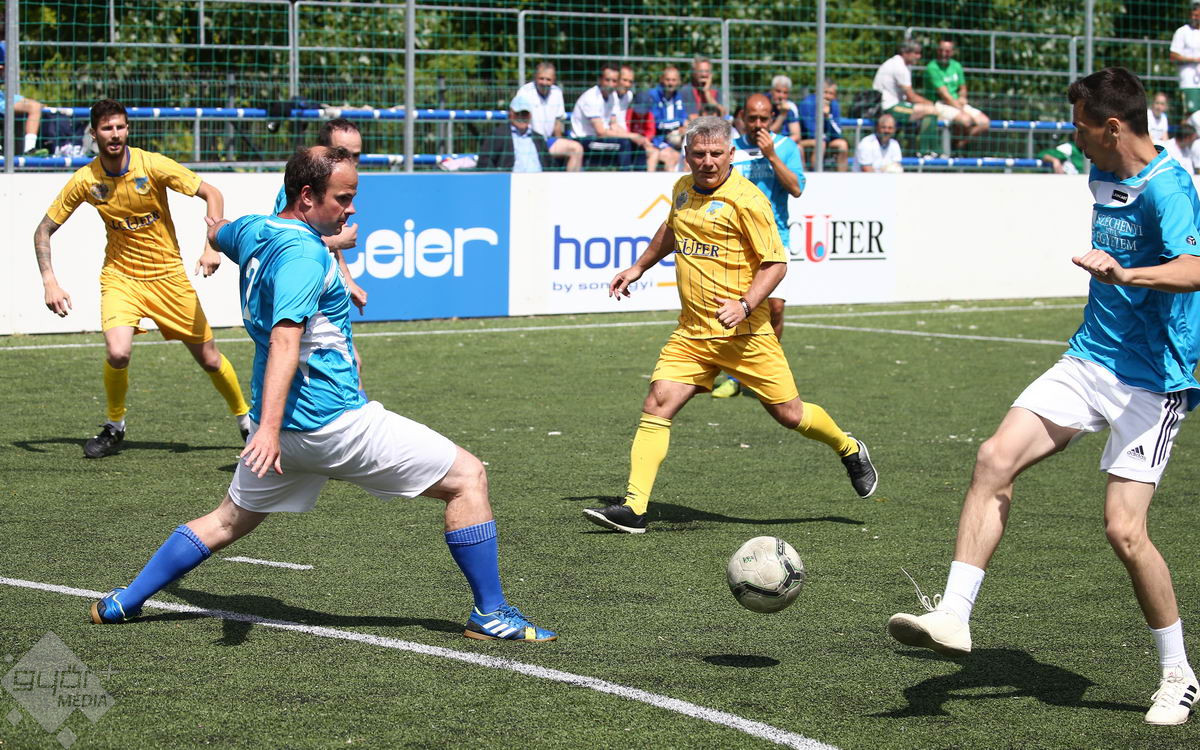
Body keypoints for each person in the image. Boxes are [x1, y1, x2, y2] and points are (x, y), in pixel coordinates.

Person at [89, 145, 557, 644]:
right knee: (468, 477)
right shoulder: (304, 256)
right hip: (331, 424)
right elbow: (286, 340)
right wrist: (266, 430)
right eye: (344, 198)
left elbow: (218, 231)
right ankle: (491, 613)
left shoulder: (253, 230)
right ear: (308, 196)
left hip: (282, 433)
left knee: (225, 521)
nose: (351, 208)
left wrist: (218, 231)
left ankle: (125, 601)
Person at [887, 67, 1200, 727]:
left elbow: (1195, 267)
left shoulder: (1169, 188)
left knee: (1124, 530)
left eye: (1080, 125)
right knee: (994, 458)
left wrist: (1127, 273)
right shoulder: (1100, 168)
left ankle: (1178, 673)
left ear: (1111, 127)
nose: (1072, 135)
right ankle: (954, 614)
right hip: (1090, 358)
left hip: (1154, 379)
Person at [581, 116, 877, 534]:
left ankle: (848, 447)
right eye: (699, 154)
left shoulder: (748, 200)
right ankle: (634, 508)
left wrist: (745, 303)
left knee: (790, 415)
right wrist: (639, 267)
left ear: (731, 154)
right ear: (687, 155)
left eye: (716, 153)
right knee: (657, 403)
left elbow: (776, 263)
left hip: (745, 334)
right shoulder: (683, 188)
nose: (708, 162)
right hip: (693, 332)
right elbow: (672, 229)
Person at [36, 98, 250, 458]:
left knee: (210, 359)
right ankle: (114, 425)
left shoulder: (151, 164)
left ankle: (246, 420)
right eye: (107, 128)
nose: (115, 134)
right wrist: (49, 281)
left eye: (120, 126)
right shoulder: (86, 179)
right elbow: (43, 230)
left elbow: (212, 193)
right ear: (94, 134)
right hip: (121, 277)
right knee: (118, 352)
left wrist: (212, 246)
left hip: (168, 277)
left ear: (128, 129)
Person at [713, 93, 804, 399]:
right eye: (752, 118)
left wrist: (771, 156)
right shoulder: (731, 149)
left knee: (775, 308)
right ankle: (733, 376)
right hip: (736, 240)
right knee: (736, 307)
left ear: (772, 118)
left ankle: (763, 374)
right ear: (742, 117)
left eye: (764, 118)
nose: (757, 124)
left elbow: (796, 188)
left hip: (775, 238)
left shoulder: (786, 147)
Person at [272, 118, 367, 315]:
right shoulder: (298, 192)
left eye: (356, 155)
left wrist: (348, 281)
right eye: (343, 152)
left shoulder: (338, 184)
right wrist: (336, 241)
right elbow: (286, 241)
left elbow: (324, 237)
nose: (350, 161)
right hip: (302, 285)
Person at [570, 62, 656, 171]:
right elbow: (601, 132)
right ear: (600, 80)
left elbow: (614, 124)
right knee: (624, 143)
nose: (610, 84)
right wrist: (631, 136)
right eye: (607, 80)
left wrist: (638, 138)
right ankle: (626, 178)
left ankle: (640, 178)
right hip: (585, 140)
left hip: (599, 139)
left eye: (614, 81)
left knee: (638, 145)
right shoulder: (591, 98)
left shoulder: (611, 97)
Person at [873, 40, 938, 156]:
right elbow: (911, 97)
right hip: (889, 107)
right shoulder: (900, 67)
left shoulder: (895, 63)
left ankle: (915, 150)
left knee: (925, 114)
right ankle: (926, 151)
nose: (919, 56)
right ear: (906, 53)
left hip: (890, 105)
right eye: (916, 53)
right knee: (931, 111)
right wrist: (930, 103)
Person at [516, 62, 583, 172]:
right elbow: (519, 121)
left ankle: (570, 182)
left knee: (576, 149)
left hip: (547, 142)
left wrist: (559, 140)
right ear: (535, 77)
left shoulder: (557, 92)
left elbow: (557, 123)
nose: (544, 82)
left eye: (548, 79)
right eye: (541, 78)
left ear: (553, 79)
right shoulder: (525, 92)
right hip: (528, 142)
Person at [925, 40, 990, 152]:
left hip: (956, 103)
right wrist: (961, 109)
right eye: (941, 50)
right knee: (965, 120)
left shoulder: (956, 66)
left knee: (984, 122)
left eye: (947, 51)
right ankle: (952, 147)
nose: (944, 54)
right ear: (937, 51)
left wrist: (962, 97)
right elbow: (944, 95)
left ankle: (958, 145)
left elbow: (962, 88)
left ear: (952, 52)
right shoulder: (932, 67)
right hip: (940, 104)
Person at [629, 66, 687, 171]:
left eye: (674, 80)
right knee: (671, 157)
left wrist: (684, 128)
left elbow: (684, 119)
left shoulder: (678, 96)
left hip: (674, 140)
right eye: (668, 79)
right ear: (662, 79)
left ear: (678, 81)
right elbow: (654, 123)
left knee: (688, 159)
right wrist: (675, 125)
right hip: (655, 139)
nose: (670, 83)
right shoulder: (652, 95)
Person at [477, 92, 551, 173]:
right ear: (510, 114)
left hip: (540, 179)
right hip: (511, 179)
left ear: (530, 115)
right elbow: (484, 161)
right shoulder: (498, 135)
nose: (521, 117)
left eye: (524, 114)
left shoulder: (539, 138)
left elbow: (550, 164)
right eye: (517, 114)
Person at [0, 40, 45, 155]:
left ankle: (29, 148)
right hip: (2, 101)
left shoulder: (4, 47)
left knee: (36, 106)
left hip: (3, 97)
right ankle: (29, 148)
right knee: (33, 107)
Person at [797, 80, 850, 172]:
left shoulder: (834, 104)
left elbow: (838, 133)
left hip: (826, 140)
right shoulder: (807, 103)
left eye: (831, 93)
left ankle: (842, 177)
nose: (828, 96)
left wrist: (828, 117)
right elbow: (811, 131)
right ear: (817, 92)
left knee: (842, 145)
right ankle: (815, 174)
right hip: (806, 140)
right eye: (825, 92)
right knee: (821, 144)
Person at [1170, 1, 1200, 121]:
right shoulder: (1182, 32)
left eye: (1197, 15)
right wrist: (1193, 60)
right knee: (1190, 113)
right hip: (1189, 81)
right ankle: (1186, 132)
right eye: (1192, 15)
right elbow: (1173, 55)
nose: (1194, 17)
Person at [768, 75, 801, 143]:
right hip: (766, 142)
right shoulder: (764, 104)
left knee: (799, 147)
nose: (781, 96)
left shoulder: (790, 107)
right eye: (778, 91)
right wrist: (782, 115)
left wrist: (782, 144)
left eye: (785, 93)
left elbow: (796, 135)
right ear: (771, 91)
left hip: (783, 142)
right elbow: (767, 134)